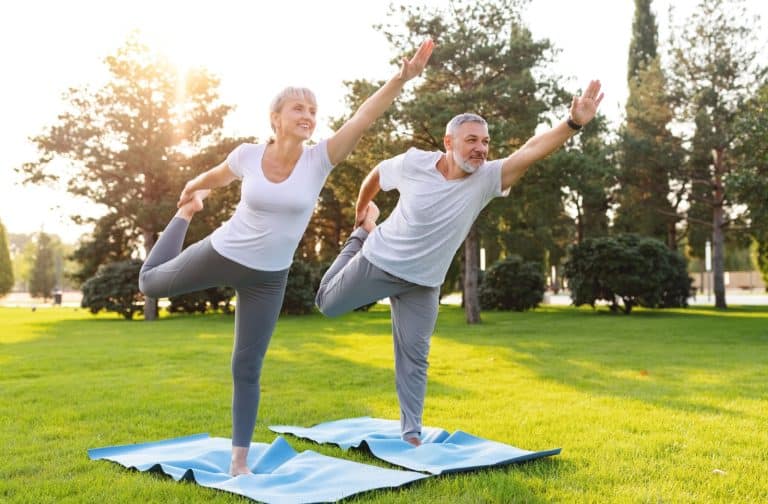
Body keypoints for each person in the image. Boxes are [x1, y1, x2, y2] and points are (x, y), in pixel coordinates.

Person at [138, 39, 434, 475]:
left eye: (312, 110)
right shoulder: (248, 156)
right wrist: (191, 192)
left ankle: (240, 463)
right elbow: (218, 175)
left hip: (268, 279)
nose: (308, 116)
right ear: (275, 118)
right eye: (298, 108)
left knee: (246, 365)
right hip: (223, 251)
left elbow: (364, 116)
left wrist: (401, 78)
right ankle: (184, 218)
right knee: (149, 284)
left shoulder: (321, 160)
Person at [315, 80, 604, 446]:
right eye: (472, 140)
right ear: (449, 143)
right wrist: (361, 215)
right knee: (327, 304)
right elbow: (375, 175)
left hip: (423, 282)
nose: (481, 149)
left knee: (415, 359)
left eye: (485, 142)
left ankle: (411, 434)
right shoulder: (413, 163)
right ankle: (360, 237)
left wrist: (572, 124)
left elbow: (530, 151)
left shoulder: (486, 179)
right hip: (379, 260)